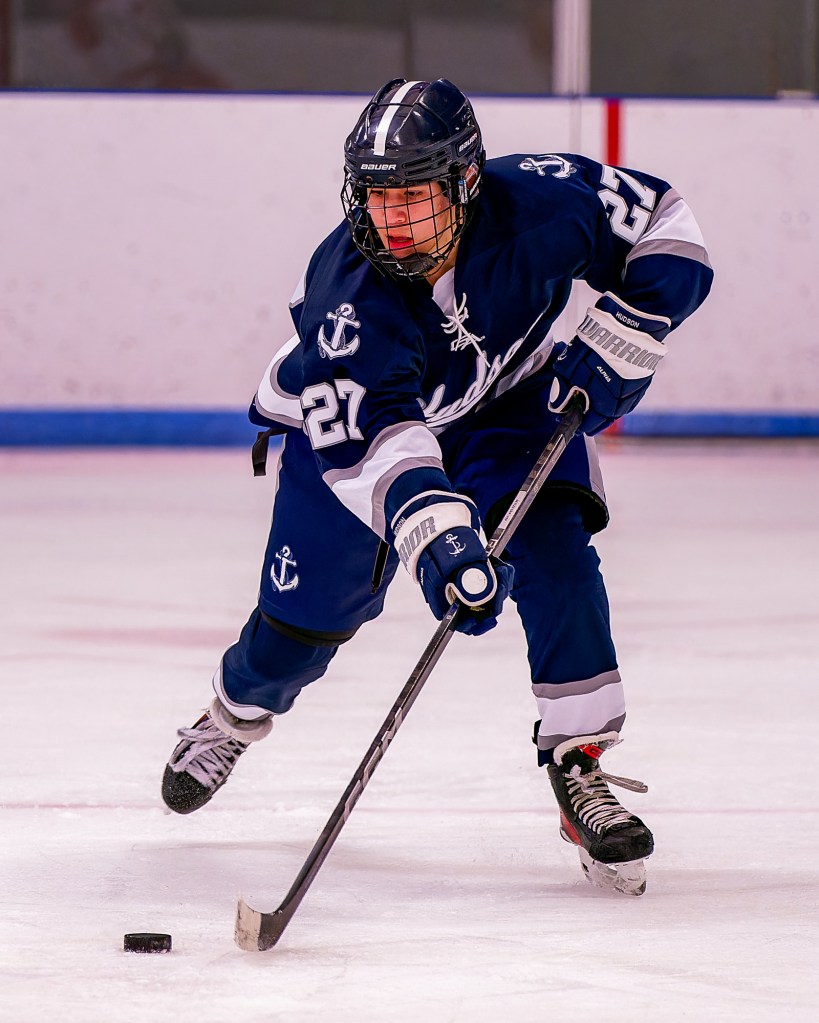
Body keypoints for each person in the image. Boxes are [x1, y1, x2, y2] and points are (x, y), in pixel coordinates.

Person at [162, 78, 713, 895]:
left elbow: (665, 221)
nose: (391, 220)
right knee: (300, 626)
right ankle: (231, 715)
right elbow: (375, 447)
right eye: (376, 196)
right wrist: (439, 536)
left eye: (413, 196)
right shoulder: (348, 300)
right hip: (353, 437)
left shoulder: (543, 202)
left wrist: (631, 326)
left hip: (506, 407)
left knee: (556, 554)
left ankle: (579, 758)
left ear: (466, 181)